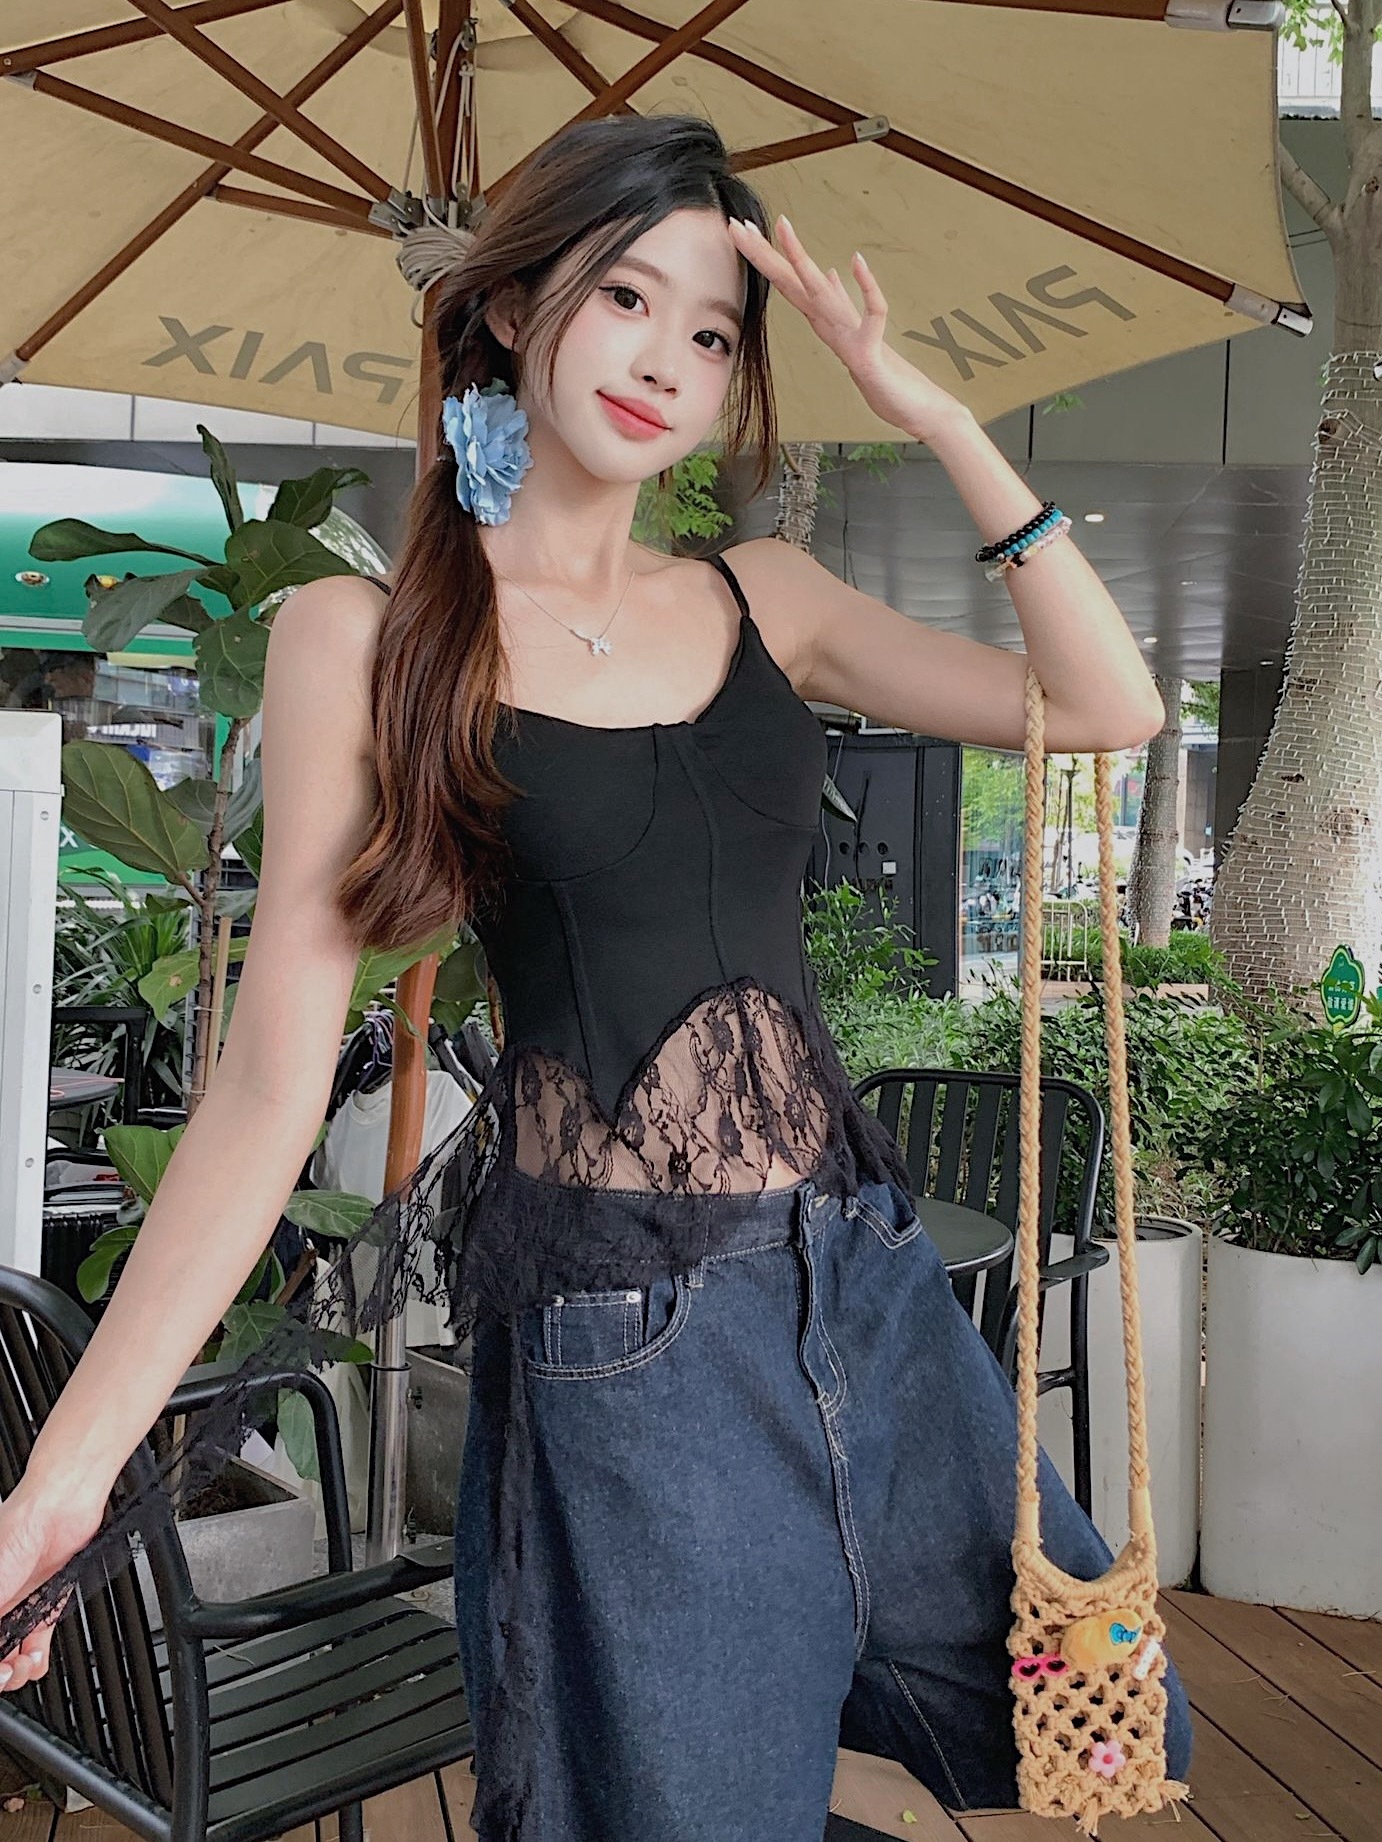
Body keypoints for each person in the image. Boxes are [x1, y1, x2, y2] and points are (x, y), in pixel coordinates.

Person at [0, 113, 1191, 1841]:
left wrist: (929, 413)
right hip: (629, 1340)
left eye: (710, 330)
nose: (666, 359)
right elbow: (266, 1090)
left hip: (865, 1281)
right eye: (624, 296)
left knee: (1097, 1710)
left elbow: (1107, 704)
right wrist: (65, 1472)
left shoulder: (766, 596)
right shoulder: (369, 636)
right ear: (507, 307)